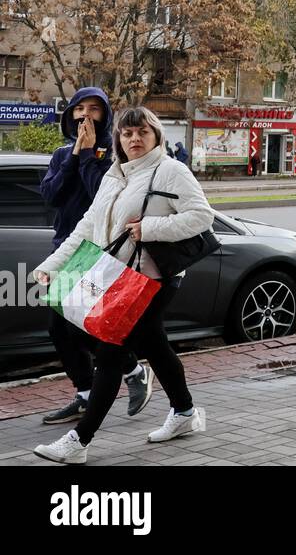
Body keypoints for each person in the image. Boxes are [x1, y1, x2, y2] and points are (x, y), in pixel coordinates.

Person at [32, 106, 213, 465]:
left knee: (111, 352)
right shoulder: (114, 175)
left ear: (156, 136)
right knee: (152, 344)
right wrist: (51, 265)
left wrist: (151, 228)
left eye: (143, 132)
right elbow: (86, 225)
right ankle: (184, 412)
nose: (134, 139)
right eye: (127, 134)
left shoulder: (171, 171)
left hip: (155, 278)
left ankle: (79, 441)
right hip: (114, 275)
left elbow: (202, 216)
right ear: (118, 138)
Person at [38, 87, 153, 425]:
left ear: (105, 116)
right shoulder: (62, 153)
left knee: (74, 324)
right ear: (69, 115)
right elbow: (51, 195)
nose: (86, 115)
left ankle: (129, 371)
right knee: (62, 329)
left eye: (94, 109)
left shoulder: (113, 156)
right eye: (79, 109)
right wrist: (74, 155)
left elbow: (101, 198)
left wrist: (89, 155)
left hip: (98, 249)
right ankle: (94, 389)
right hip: (65, 246)